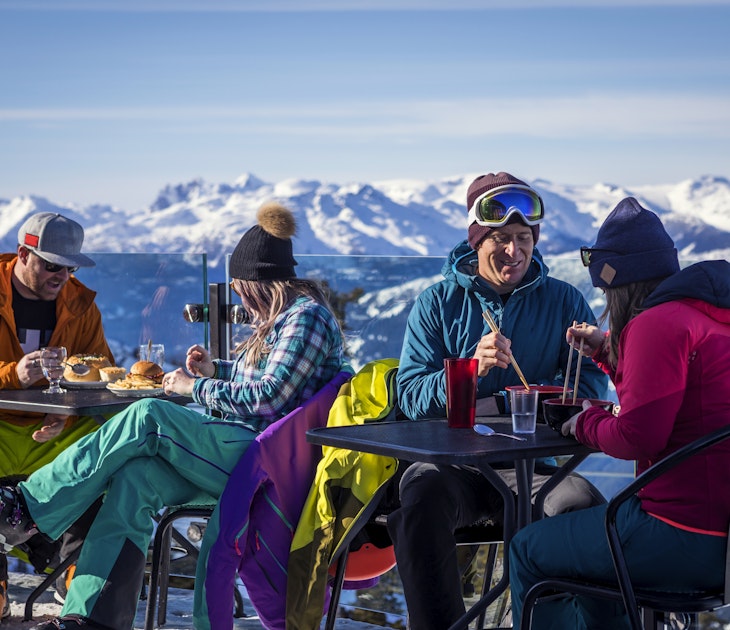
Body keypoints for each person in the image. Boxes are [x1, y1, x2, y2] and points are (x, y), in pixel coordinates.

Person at [0, 201, 349, 629]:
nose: (237, 295)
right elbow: (265, 376)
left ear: (258, 283)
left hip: (267, 459)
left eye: (239, 286)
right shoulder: (286, 320)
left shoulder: (305, 319)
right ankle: (90, 619)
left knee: (148, 415)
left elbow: (269, 398)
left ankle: (26, 508)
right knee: (134, 479)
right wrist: (214, 370)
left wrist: (193, 386)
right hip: (247, 447)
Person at [388, 171, 610, 630]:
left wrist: (547, 399)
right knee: (419, 502)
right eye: (502, 238)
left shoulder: (564, 300)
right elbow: (409, 396)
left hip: (530, 469)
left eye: (524, 238)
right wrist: (468, 369)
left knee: (580, 506)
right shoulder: (437, 303)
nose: (515, 251)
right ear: (476, 241)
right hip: (453, 466)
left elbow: (591, 386)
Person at [509, 197, 730, 629]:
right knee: (593, 565)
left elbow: (638, 437)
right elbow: (677, 396)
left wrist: (584, 421)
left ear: (617, 283)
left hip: (676, 533)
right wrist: (609, 352)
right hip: (722, 541)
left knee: (528, 549)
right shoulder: (707, 318)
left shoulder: (656, 324)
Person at [0, 212, 114, 616]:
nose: (62, 275)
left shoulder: (81, 306)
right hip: (1, 427)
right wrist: (13, 374)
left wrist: (65, 414)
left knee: (104, 450)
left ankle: (76, 571)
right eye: (51, 265)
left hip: (52, 432)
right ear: (22, 254)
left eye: (69, 267)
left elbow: (101, 373)